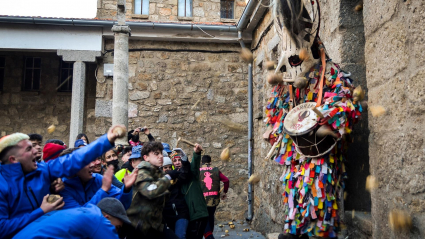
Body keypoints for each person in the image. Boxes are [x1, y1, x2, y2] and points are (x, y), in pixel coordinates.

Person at [0, 125, 125, 239]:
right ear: (13, 159)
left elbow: (73, 160)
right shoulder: (2, 185)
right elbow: (2, 229)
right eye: (28, 149)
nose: (36, 150)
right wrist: (41, 211)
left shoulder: (42, 170)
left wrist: (107, 140)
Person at [126, 142, 181, 239]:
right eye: (156, 154)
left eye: (161, 153)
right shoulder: (141, 171)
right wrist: (168, 178)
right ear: (146, 157)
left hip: (154, 225)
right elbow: (150, 191)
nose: (160, 156)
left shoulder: (158, 173)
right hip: (138, 226)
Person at [13, 197, 131, 239]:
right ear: (107, 217)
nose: (116, 231)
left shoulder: (79, 213)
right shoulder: (97, 219)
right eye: (117, 227)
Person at [59, 147, 137, 210]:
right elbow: (81, 217)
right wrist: (103, 191)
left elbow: (121, 204)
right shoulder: (62, 191)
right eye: (86, 162)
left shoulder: (98, 179)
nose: (93, 165)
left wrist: (126, 189)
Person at [171, 146, 208, 239]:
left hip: (197, 214)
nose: (177, 163)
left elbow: (195, 165)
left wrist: (196, 154)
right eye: (174, 161)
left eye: (179, 160)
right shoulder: (175, 179)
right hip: (187, 216)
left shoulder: (191, 172)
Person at [162, 152, 191, 239]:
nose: (168, 169)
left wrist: (184, 159)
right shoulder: (160, 182)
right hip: (167, 216)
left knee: (180, 235)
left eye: (170, 167)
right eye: (165, 167)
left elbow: (185, 172)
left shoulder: (176, 178)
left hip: (181, 213)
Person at [199, 155, 229, 239]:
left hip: (202, 200)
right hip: (214, 199)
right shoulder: (216, 170)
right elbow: (226, 180)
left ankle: (209, 237)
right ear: (210, 162)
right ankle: (210, 235)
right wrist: (224, 192)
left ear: (202, 162)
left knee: (204, 219)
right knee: (211, 216)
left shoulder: (198, 171)